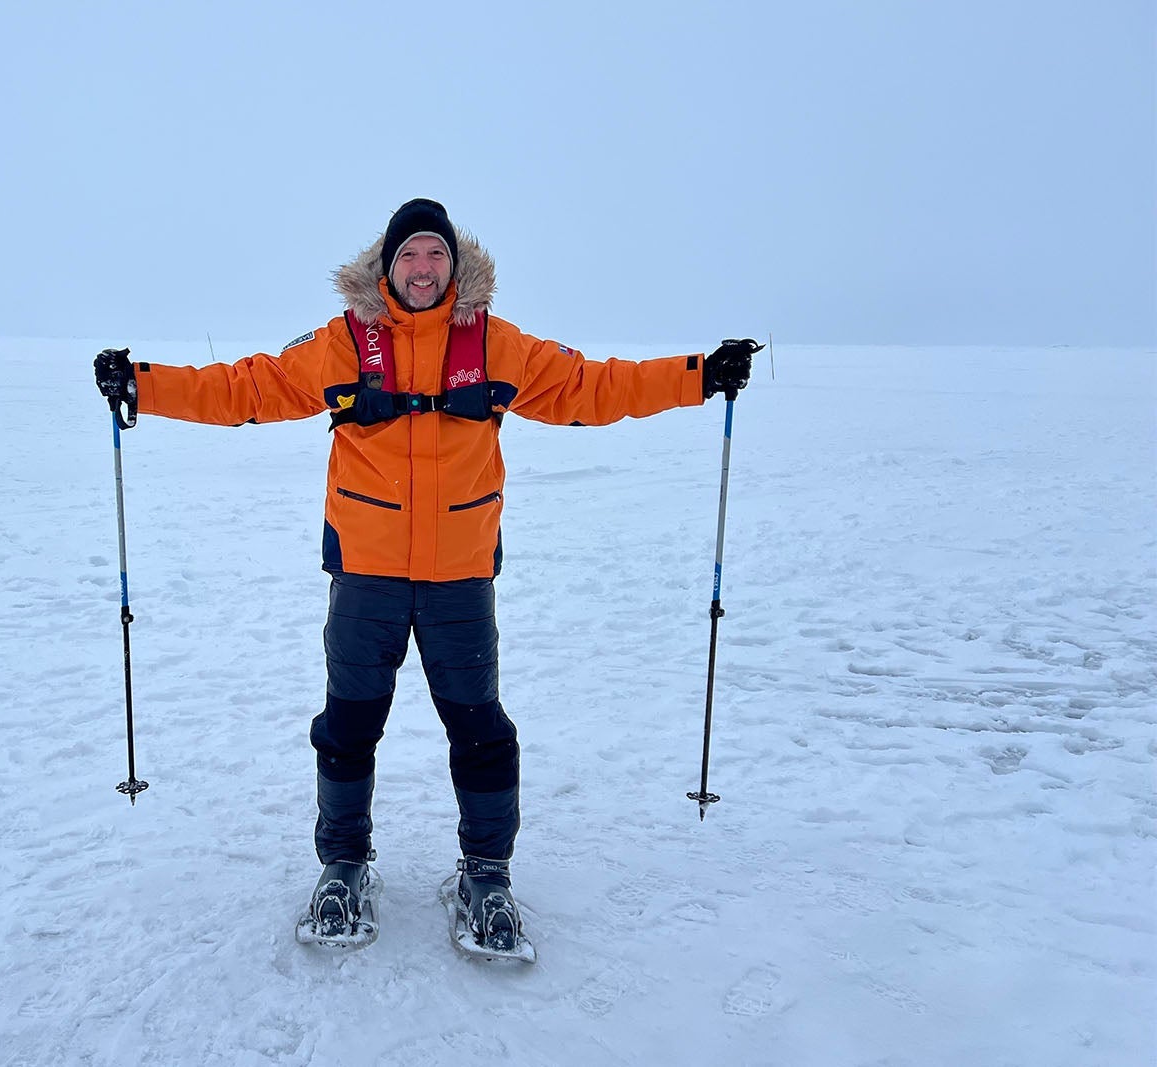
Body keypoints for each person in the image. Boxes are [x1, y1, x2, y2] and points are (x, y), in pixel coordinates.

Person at [94, 198, 755, 955]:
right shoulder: (341, 345)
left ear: (455, 264)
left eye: (435, 254)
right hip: (366, 575)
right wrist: (144, 385)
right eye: (409, 254)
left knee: (479, 729)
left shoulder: (498, 346)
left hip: (459, 578)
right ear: (386, 266)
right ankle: (343, 865)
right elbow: (244, 388)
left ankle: (486, 874)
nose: (422, 268)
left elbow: (593, 388)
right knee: (347, 726)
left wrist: (700, 376)